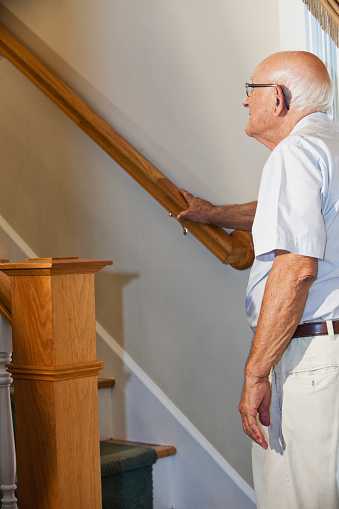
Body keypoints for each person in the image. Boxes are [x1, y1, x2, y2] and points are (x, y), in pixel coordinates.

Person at [177, 51, 339, 508]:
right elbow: (290, 211)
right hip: (331, 351)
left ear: (279, 99)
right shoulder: (328, 144)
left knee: (297, 499)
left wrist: (256, 374)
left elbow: (296, 268)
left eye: (252, 90)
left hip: (308, 357)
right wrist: (214, 214)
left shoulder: (296, 153)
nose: (245, 102)